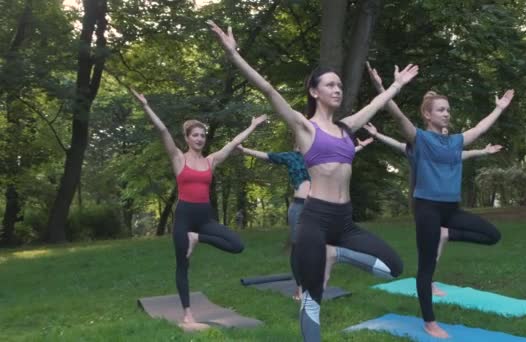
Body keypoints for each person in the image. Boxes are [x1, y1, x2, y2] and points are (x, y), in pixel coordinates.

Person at [207, 20, 417, 341]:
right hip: (315, 219)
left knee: (393, 267)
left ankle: (338, 253)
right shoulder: (305, 129)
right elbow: (268, 89)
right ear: (314, 91)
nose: (337, 89)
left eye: (339, 85)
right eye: (330, 85)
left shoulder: (347, 128)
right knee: (313, 297)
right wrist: (235, 55)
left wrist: (397, 85)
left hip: (345, 222)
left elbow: (375, 106)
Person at [365, 62, 513, 338]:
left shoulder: (455, 142)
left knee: (492, 235)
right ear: (427, 114)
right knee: (426, 268)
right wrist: (382, 88)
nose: (447, 114)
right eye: (441, 110)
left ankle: (447, 233)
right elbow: (397, 117)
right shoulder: (420, 139)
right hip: (427, 209)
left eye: (448, 110)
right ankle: (429, 321)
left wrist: (499, 109)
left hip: (451, 211)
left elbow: (480, 129)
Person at [130, 88, 267, 329]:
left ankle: (198, 238)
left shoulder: (210, 161)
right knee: (182, 265)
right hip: (184, 216)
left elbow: (233, 142)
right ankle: (187, 314)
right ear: (187, 138)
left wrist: (253, 126)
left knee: (237, 245)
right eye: (195, 135)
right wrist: (145, 106)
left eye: (203, 135)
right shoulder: (178, 159)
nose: (200, 139)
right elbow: (162, 131)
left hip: (204, 219)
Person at [362, 122, 503, 296]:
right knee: (430, 251)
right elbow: (395, 143)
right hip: (425, 204)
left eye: (446, 132)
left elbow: (464, 153)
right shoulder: (417, 148)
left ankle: (434, 268)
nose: (444, 133)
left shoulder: (449, 152)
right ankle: (428, 282)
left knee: (435, 248)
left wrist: (482, 151)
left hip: (445, 206)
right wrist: (376, 134)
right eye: (441, 131)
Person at [237, 137, 374, 300]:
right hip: (299, 206)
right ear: (296, 145)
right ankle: (300, 287)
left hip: (318, 207)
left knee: (319, 247)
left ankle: (316, 282)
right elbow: (267, 156)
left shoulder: (319, 158)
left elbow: (341, 155)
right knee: (298, 248)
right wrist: (244, 150)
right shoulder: (291, 157)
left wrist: (359, 147)